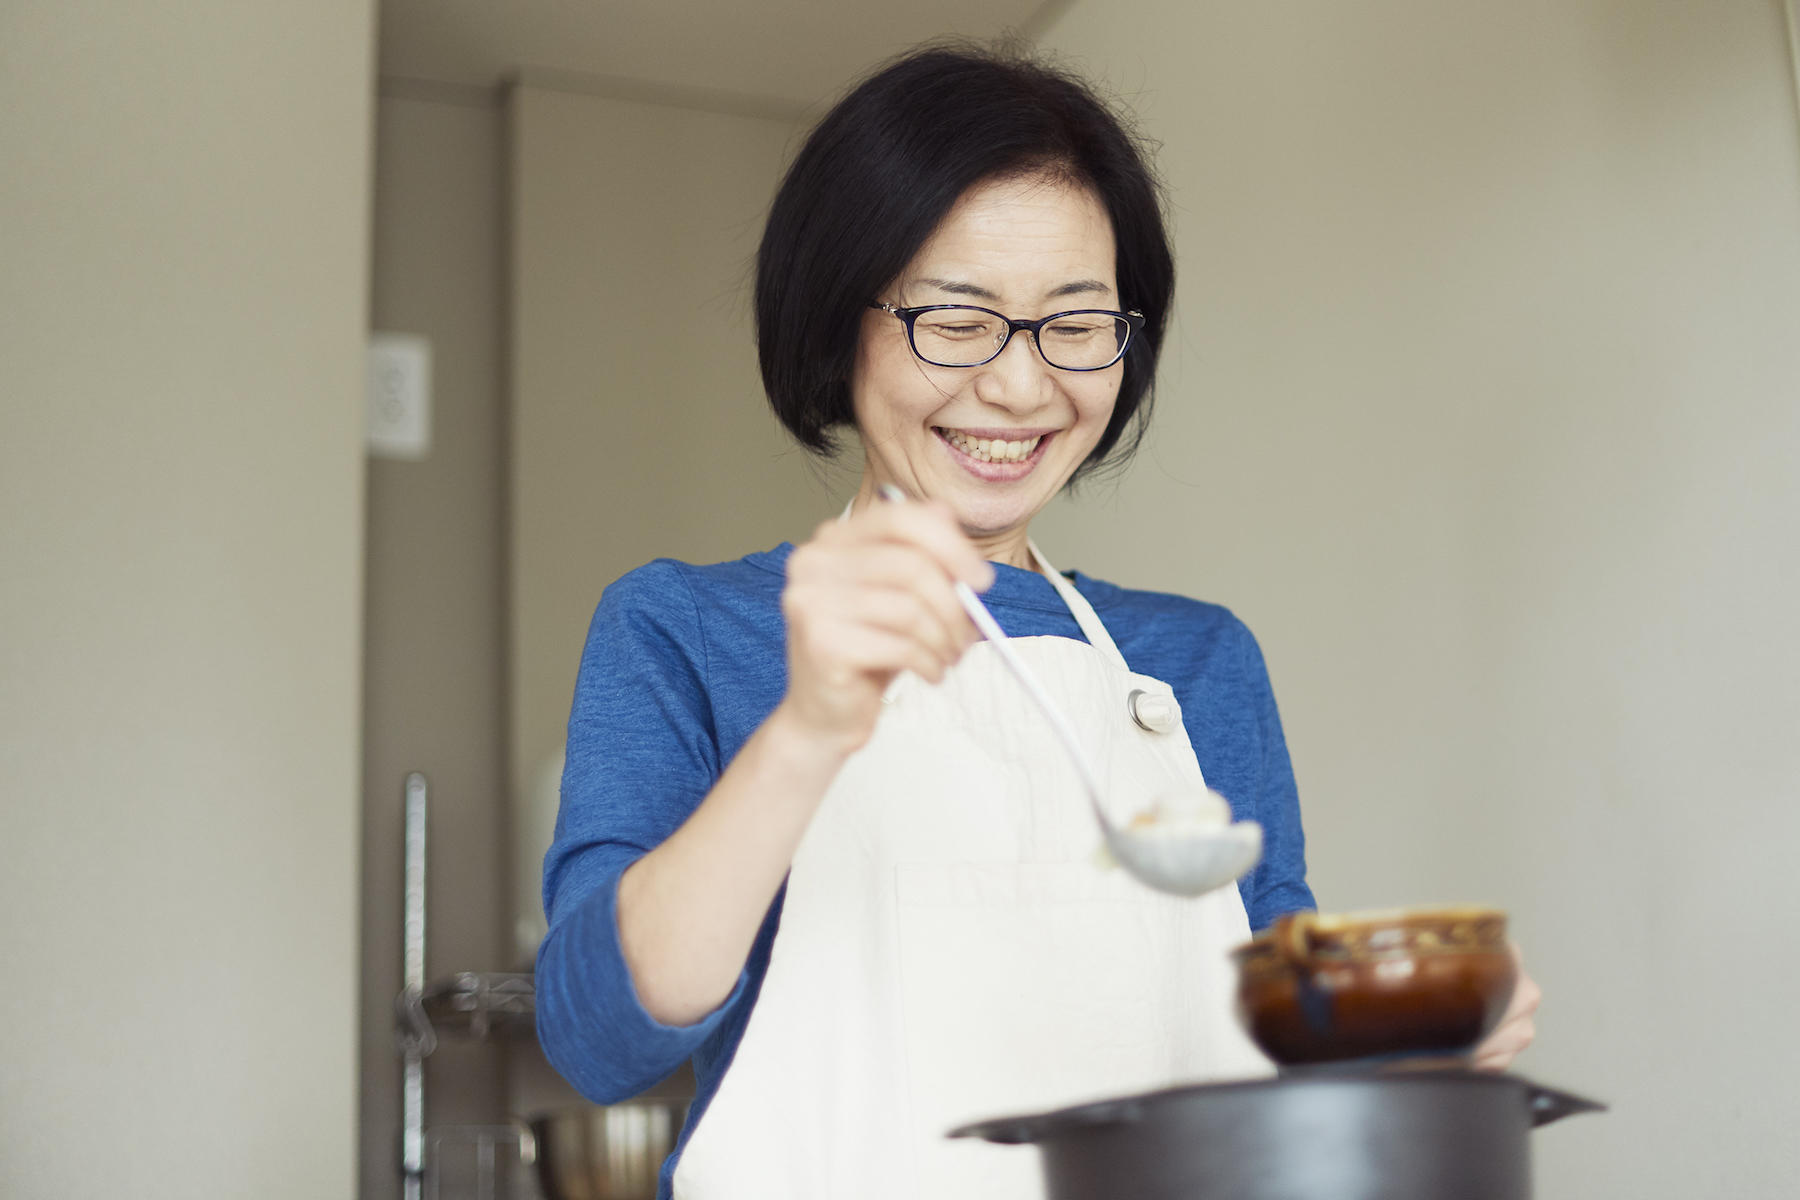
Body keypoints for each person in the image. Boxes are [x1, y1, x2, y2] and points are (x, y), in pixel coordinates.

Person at [536, 44, 1539, 1200]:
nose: (1020, 389)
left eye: (1075, 322)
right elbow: (598, 1040)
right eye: (957, 320)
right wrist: (807, 730)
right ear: (837, 321)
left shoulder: (1195, 662)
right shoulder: (688, 631)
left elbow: (1273, 1039)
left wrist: (1401, 1037)